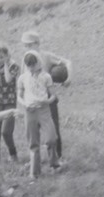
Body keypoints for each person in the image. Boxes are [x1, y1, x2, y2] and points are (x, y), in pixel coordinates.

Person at [21, 30, 72, 159]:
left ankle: (57, 159)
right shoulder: (25, 59)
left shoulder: (46, 56)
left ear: (37, 44)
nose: (27, 48)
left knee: (53, 131)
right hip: (32, 102)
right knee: (33, 133)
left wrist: (68, 78)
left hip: (48, 100)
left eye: (29, 45)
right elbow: (23, 80)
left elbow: (68, 62)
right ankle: (35, 161)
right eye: (25, 45)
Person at [17, 51, 60, 179]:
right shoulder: (22, 78)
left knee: (51, 138)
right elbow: (18, 97)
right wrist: (24, 104)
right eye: (29, 65)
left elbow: (53, 95)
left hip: (44, 110)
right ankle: (35, 172)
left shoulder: (46, 76)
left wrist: (47, 101)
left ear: (38, 62)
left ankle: (54, 165)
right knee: (33, 142)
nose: (31, 67)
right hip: (30, 111)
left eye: (33, 64)